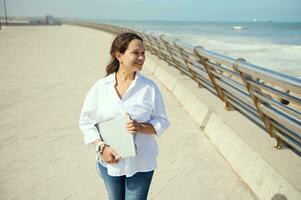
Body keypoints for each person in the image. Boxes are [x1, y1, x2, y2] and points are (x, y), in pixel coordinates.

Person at [79, 32, 169, 200]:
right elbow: (86, 122)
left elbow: (162, 121)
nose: (141, 57)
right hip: (109, 162)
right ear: (118, 55)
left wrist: (141, 127)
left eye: (143, 53)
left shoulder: (149, 88)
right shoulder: (101, 87)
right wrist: (102, 148)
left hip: (141, 162)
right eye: (136, 53)